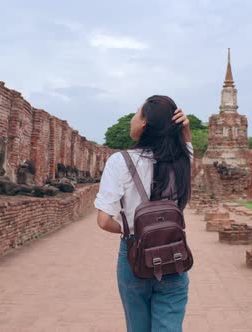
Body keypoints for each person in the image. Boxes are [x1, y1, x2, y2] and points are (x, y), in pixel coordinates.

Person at [95, 95, 193, 332]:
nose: (132, 118)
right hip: (173, 255)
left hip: (134, 254)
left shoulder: (120, 161)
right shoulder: (181, 161)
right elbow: (186, 147)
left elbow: (104, 220)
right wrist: (184, 130)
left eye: (136, 113)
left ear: (144, 124)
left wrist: (133, 228)